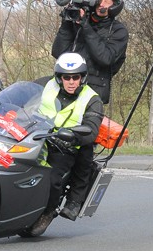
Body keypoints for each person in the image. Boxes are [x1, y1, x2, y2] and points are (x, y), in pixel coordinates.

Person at [29, 53, 103, 236]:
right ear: (59, 77)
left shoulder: (92, 99)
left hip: (65, 147)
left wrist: (72, 136)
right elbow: (24, 95)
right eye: (66, 77)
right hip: (37, 137)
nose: (71, 82)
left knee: (52, 179)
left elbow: (91, 130)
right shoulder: (45, 84)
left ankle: (48, 211)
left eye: (75, 77)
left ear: (82, 77)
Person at [51, 0, 128, 106]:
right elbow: (58, 52)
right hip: (66, 91)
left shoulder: (118, 31)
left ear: (115, 6)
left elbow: (106, 58)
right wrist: (67, 22)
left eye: (106, 2)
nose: (100, 4)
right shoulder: (80, 21)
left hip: (92, 96)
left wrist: (86, 27)